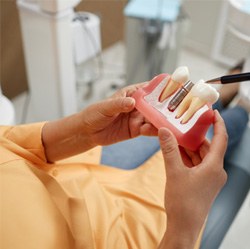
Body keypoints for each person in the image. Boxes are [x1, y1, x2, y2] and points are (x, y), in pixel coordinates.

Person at [0, 83, 227, 249]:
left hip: (75, 168)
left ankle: (228, 91)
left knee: (189, 116)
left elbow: (8, 142)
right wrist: (184, 229)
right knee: (206, 133)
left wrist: (81, 131)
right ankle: (242, 108)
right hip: (125, 234)